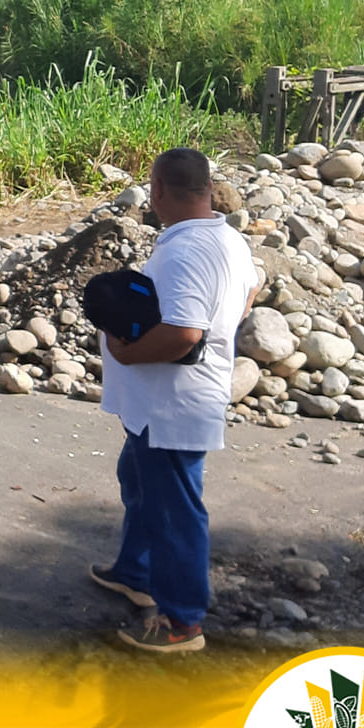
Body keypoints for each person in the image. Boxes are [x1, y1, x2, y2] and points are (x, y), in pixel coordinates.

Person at [90, 147, 260, 655]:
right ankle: (136, 573)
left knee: (174, 509)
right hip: (162, 405)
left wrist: (127, 352)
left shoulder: (185, 252)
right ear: (206, 189)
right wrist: (224, 325)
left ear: (158, 190)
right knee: (139, 480)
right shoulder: (226, 238)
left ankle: (182, 621)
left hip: (173, 405)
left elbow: (185, 333)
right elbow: (251, 289)